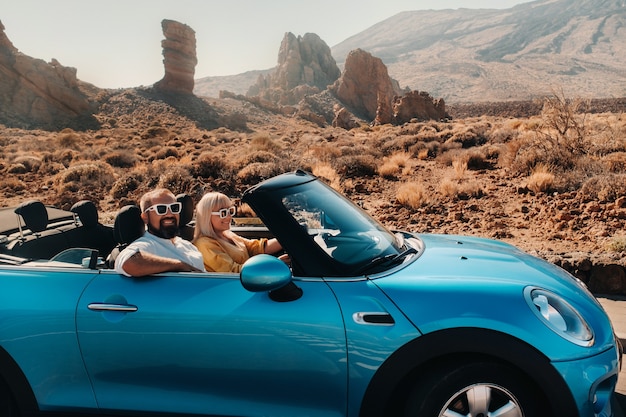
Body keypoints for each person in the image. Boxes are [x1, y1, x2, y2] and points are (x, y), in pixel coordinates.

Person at [115, 188, 206, 277]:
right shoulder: (146, 244)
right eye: (161, 209)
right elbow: (128, 262)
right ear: (145, 217)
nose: (170, 214)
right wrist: (179, 265)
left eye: (174, 208)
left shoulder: (188, 246)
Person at [193, 192, 288, 272]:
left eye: (230, 211)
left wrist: (288, 238)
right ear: (207, 216)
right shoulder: (204, 244)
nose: (229, 217)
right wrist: (273, 264)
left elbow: (255, 248)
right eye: (223, 213)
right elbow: (234, 271)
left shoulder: (227, 235)